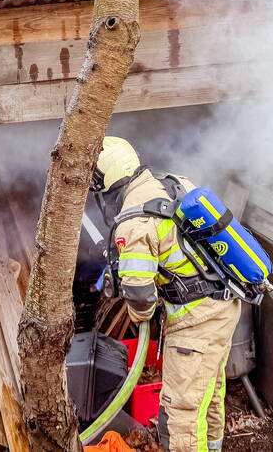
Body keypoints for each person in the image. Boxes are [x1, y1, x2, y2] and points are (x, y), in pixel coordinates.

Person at [92, 136, 241, 452]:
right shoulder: (175, 183)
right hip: (223, 304)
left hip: (195, 321)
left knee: (181, 412)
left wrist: (142, 315)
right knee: (208, 392)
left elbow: (139, 294)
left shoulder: (134, 220)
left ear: (108, 180)